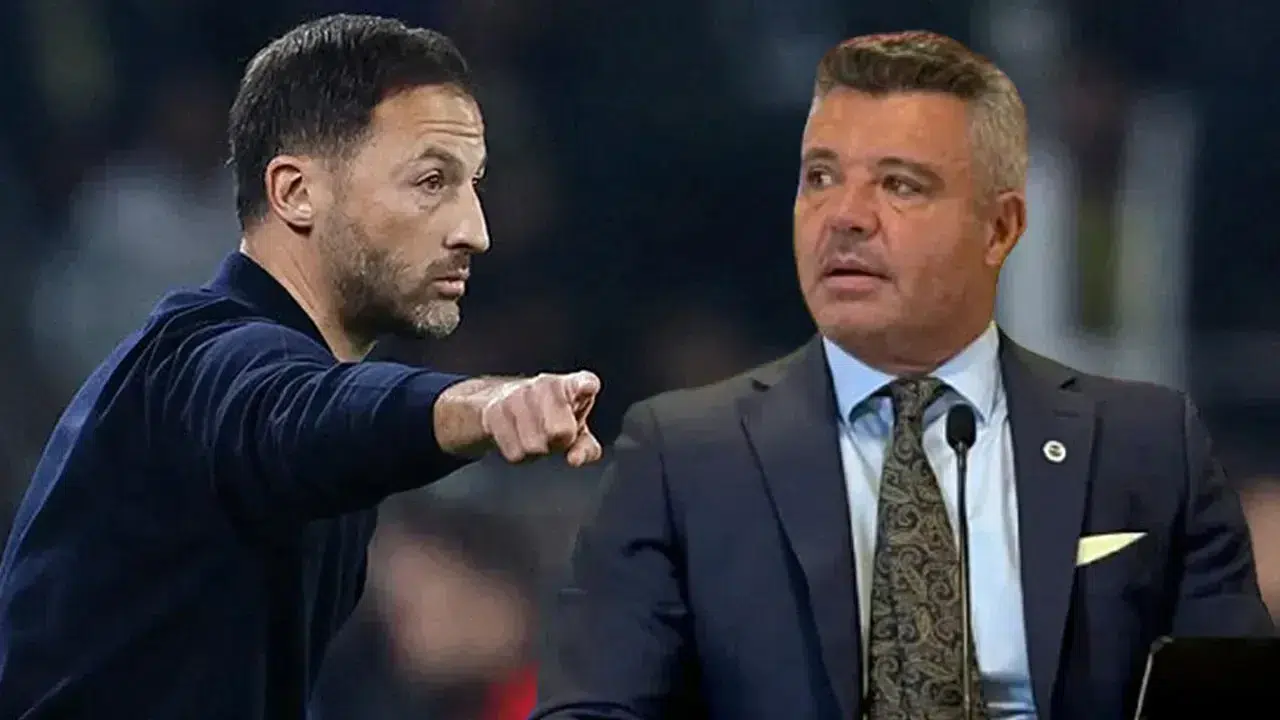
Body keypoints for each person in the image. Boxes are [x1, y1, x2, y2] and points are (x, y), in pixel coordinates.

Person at [533, 31, 1273, 720]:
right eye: (820, 177)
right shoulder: (682, 458)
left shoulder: (1148, 446)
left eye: (901, 185)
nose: (845, 216)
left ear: (1000, 228)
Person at [0, 14, 603, 719]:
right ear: (295, 192)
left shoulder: (299, 446)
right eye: (431, 181)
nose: (475, 230)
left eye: (473, 185)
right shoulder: (201, 365)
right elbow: (298, 406)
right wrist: (480, 408)